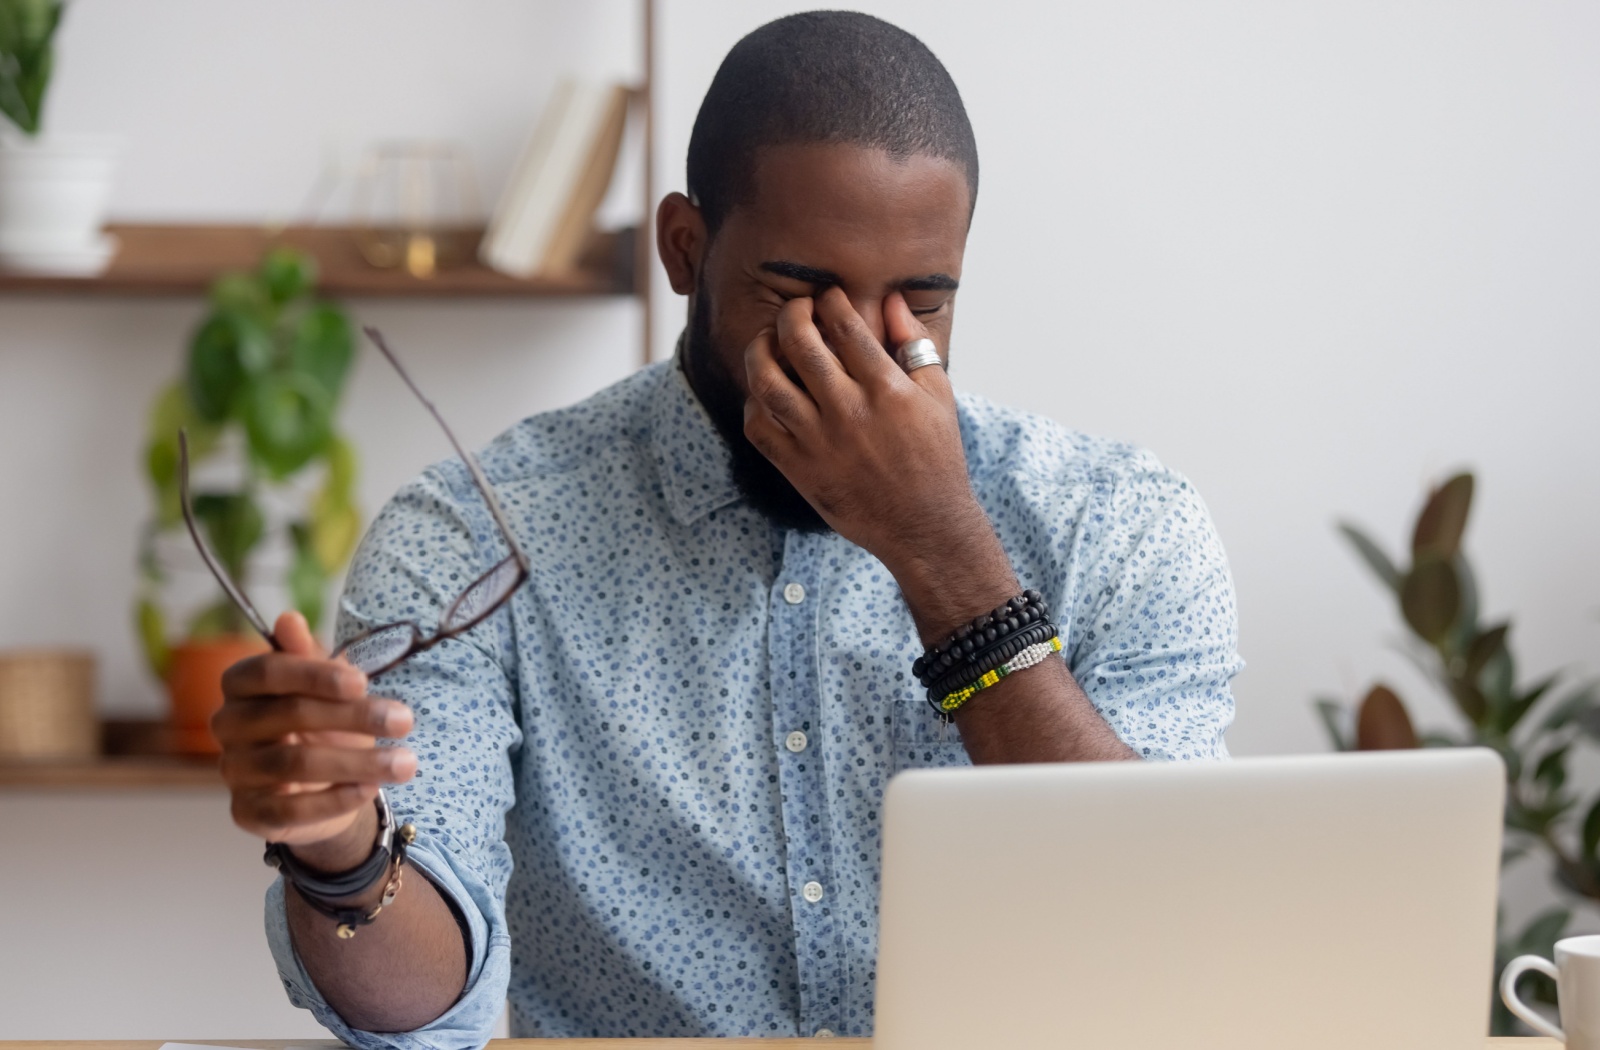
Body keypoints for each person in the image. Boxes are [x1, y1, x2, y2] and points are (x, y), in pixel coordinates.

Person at [214, 10, 1242, 1045]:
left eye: (920, 307)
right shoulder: (471, 534)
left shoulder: (1120, 526)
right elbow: (426, 1020)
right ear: (685, 248)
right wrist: (341, 851)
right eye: (798, 294)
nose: (864, 357)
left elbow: (1161, 936)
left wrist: (939, 548)